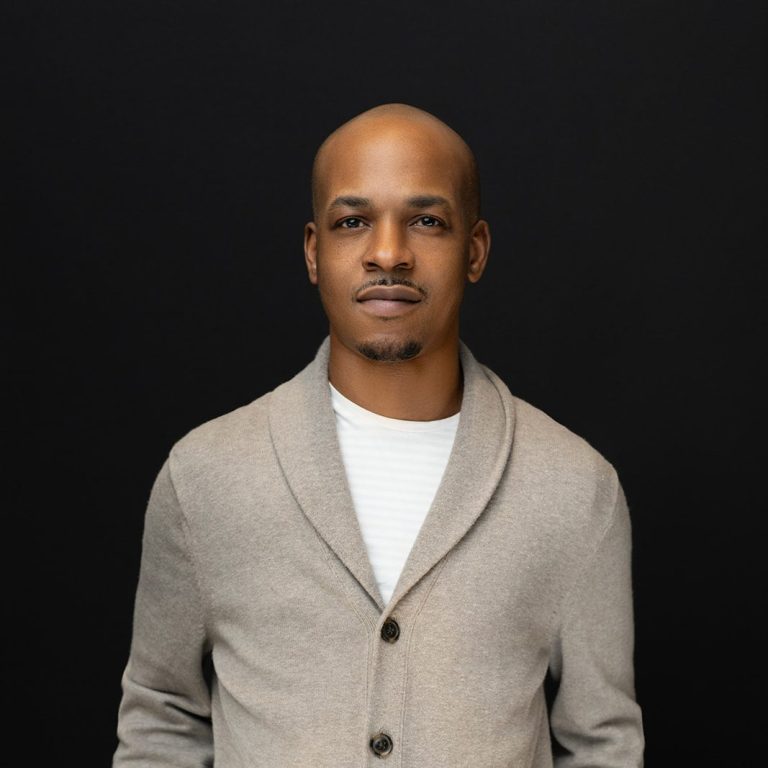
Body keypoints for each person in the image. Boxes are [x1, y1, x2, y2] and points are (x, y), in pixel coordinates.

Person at [113, 103, 644, 766]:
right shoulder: (206, 477)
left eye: (426, 221)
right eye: (353, 222)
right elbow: (160, 717)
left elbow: (603, 744)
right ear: (314, 251)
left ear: (475, 250)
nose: (388, 253)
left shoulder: (574, 489)